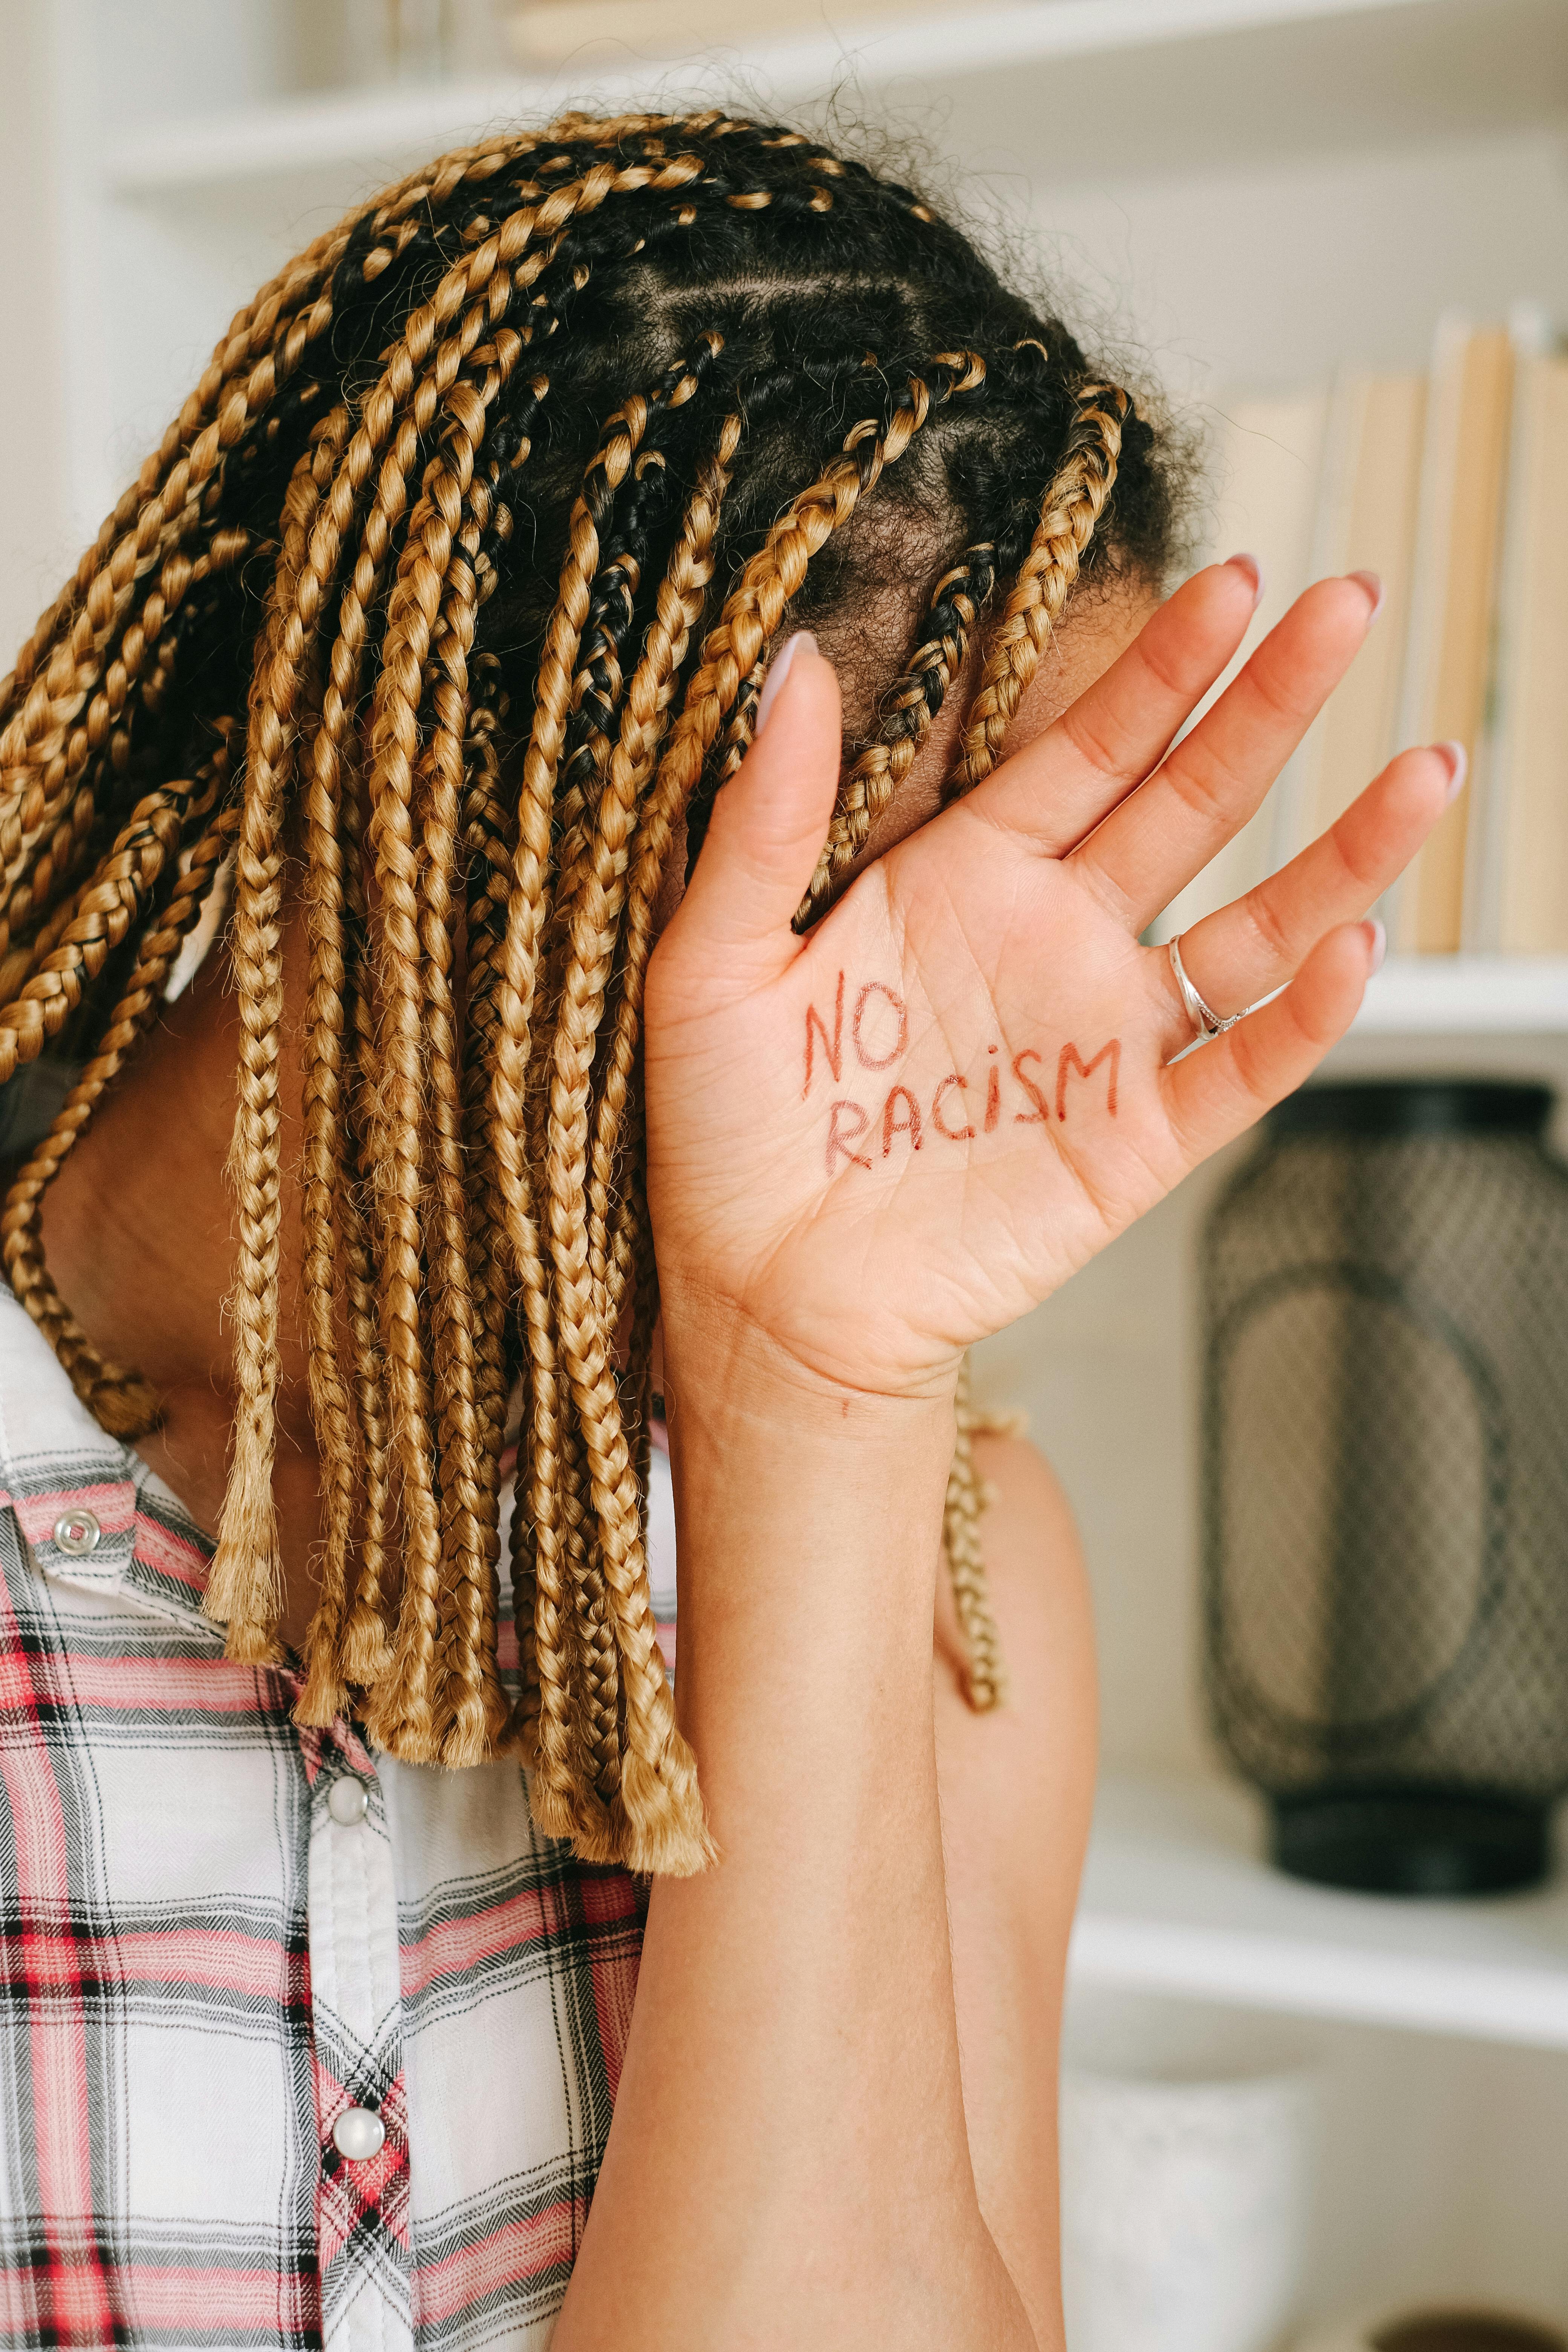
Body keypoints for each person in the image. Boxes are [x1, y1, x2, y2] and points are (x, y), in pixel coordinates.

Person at [0, 108, 1453, 2352]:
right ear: (434, 829)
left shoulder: (955, 1575)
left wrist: (812, 1416)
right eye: (923, 907)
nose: (999, 1063)